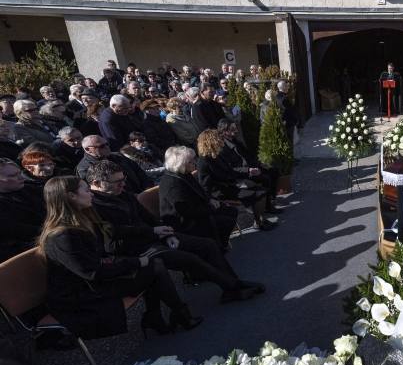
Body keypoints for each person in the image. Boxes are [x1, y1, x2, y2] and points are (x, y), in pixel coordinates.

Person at [39, 176, 202, 338]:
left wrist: (135, 258)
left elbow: (105, 249)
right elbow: (92, 272)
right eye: (87, 190)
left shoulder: (81, 220)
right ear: (71, 196)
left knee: (153, 266)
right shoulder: (62, 236)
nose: (92, 194)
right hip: (80, 294)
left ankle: (162, 316)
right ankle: (171, 315)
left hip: (94, 280)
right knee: (153, 267)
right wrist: (136, 262)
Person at [86, 160, 262, 303]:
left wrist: (167, 234)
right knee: (191, 259)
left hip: (152, 236)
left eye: (123, 179)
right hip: (133, 249)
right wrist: (154, 232)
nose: (123, 184)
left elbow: (147, 216)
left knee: (208, 245)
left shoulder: (122, 194)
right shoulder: (93, 205)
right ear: (96, 183)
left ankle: (233, 285)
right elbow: (114, 233)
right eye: (117, 182)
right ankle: (232, 288)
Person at [159, 146, 240, 249]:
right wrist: (211, 208)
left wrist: (210, 199)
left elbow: (200, 191)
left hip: (198, 210)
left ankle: (221, 243)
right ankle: (218, 247)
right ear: (180, 164)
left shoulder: (184, 174)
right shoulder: (172, 184)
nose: (195, 162)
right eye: (190, 161)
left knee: (231, 211)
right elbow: (186, 211)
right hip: (186, 222)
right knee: (226, 221)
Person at [196, 129, 276, 231]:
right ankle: (259, 222)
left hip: (231, 185)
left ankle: (259, 219)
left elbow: (231, 171)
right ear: (212, 141)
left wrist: (248, 171)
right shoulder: (203, 161)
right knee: (256, 194)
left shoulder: (217, 155)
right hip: (221, 191)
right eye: (219, 138)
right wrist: (211, 199)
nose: (221, 140)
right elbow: (205, 185)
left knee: (261, 190)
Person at [0, 158, 46, 261]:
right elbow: (16, 230)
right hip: (29, 252)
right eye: (13, 175)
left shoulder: (32, 189)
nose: (21, 177)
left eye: (19, 173)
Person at [77, 135, 153, 195]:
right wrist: (132, 197)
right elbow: (99, 190)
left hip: (142, 191)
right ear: (88, 149)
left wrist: (147, 187)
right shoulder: (85, 168)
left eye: (107, 144)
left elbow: (139, 171)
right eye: (102, 146)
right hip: (123, 201)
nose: (107, 147)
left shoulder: (117, 156)